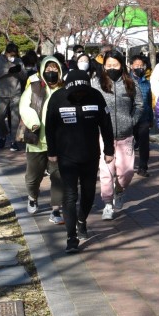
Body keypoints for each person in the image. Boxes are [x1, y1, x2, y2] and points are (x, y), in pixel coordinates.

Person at [46, 69, 115, 254]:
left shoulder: (96, 97)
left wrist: (109, 149)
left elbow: (106, 124)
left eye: (82, 92)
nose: (79, 95)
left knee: (88, 193)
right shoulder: (57, 98)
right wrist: (51, 152)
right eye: (75, 92)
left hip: (90, 155)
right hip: (66, 156)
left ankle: (82, 220)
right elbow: (49, 126)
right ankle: (71, 238)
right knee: (70, 196)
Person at [93, 51, 143, 220]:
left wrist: (132, 121)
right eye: (109, 65)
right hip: (104, 136)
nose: (112, 68)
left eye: (115, 65)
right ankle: (107, 203)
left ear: (122, 65)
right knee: (106, 171)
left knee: (126, 171)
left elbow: (139, 105)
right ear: (104, 66)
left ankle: (120, 190)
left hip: (126, 134)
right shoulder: (97, 83)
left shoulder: (131, 83)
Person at [20, 55, 65, 223]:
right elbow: (24, 106)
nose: (51, 72)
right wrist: (33, 123)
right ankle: (32, 196)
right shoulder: (34, 87)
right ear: (42, 70)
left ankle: (55, 210)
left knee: (58, 176)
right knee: (33, 177)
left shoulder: (64, 89)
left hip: (59, 142)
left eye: (55, 69)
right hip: (36, 141)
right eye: (48, 69)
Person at [0, 43, 26, 151]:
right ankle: (3, 135)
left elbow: (24, 76)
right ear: (6, 52)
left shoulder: (18, 61)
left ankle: (14, 141)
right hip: (2, 93)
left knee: (15, 118)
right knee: (0, 118)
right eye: (11, 54)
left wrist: (19, 70)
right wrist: (7, 70)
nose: (12, 56)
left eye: (14, 55)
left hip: (16, 92)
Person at [130, 55, 153, 176]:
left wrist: (151, 118)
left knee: (144, 144)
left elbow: (149, 101)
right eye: (136, 65)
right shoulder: (126, 81)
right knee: (128, 145)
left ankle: (143, 167)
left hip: (143, 118)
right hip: (129, 117)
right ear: (131, 66)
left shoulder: (146, 83)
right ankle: (127, 167)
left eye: (141, 65)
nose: (139, 67)